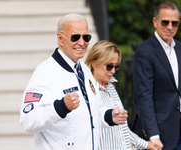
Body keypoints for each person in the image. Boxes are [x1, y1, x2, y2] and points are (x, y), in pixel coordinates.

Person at [20, 13, 128, 150]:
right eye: (75, 37)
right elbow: (28, 120)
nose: (82, 42)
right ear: (60, 38)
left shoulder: (84, 70)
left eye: (86, 37)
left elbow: (91, 112)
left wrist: (109, 116)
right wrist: (60, 107)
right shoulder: (45, 72)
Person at [85, 40, 155, 150]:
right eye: (109, 66)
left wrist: (146, 145)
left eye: (116, 67)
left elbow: (123, 130)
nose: (113, 71)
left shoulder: (111, 85)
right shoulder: (86, 90)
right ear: (94, 63)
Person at [132, 2, 181, 150]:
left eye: (175, 23)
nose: (170, 27)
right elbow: (143, 97)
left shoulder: (180, 48)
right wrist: (153, 135)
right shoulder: (145, 52)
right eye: (165, 22)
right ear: (155, 22)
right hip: (161, 134)